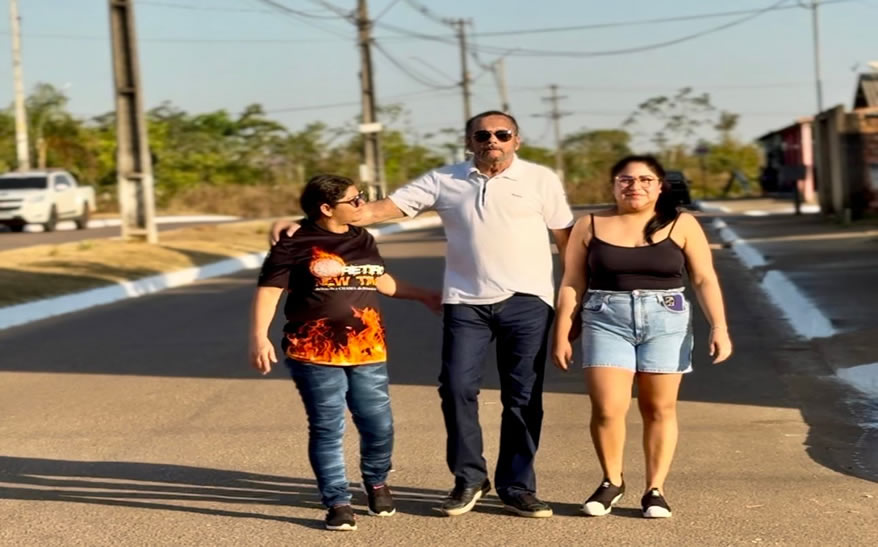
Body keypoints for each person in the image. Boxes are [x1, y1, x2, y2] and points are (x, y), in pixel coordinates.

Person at [272, 111, 574, 518]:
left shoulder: (540, 180)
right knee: (456, 387)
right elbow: (370, 211)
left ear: (516, 140)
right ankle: (469, 478)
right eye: (482, 135)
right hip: (465, 302)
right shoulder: (444, 180)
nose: (492, 140)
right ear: (469, 142)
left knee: (523, 395)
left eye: (502, 134)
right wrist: (300, 222)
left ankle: (517, 486)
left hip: (528, 301)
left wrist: (573, 302)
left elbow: (568, 243)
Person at [250, 174, 441, 531]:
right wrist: (259, 337)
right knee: (327, 427)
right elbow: (270, 291)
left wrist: (424, 295)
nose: (361, 204)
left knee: (378, 424)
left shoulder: (362, 237)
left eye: (361, 197)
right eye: (354, 200)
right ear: (326, 208)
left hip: (368, 348)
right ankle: (337, 501)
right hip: (314, 351)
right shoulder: (293, 244)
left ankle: (377, 481)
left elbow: (379, 279)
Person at [551, 154, 732, 519]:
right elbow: (572, 281)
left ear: (660, 186)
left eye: (646, 180)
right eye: (626, 179)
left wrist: (719, 326)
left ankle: (655, 490)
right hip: (606, 318)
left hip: (666, 321)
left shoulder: (681, 223)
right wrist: (562, 332)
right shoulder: (589, 224)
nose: (635, 186)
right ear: (614, 185)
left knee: (659, 408)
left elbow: (703, 278)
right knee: (607, 407)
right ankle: (611, 481)